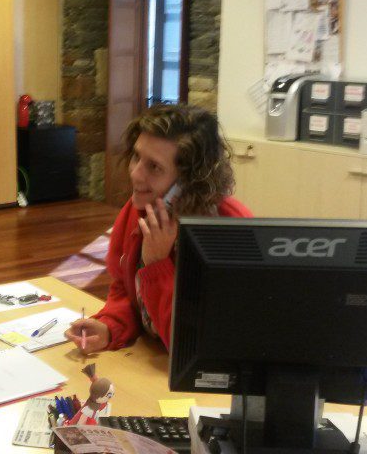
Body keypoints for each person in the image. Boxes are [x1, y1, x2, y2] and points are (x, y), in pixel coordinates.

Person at [64, 104, 251, 354]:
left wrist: (156, 265)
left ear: (188, 182)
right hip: (153, 362)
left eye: (154, 167)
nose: (135, 174)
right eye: (136, 157)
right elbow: (125, 290)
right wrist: (110, 326)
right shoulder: (139, 210)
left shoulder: (227, 229)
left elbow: (196, 344)